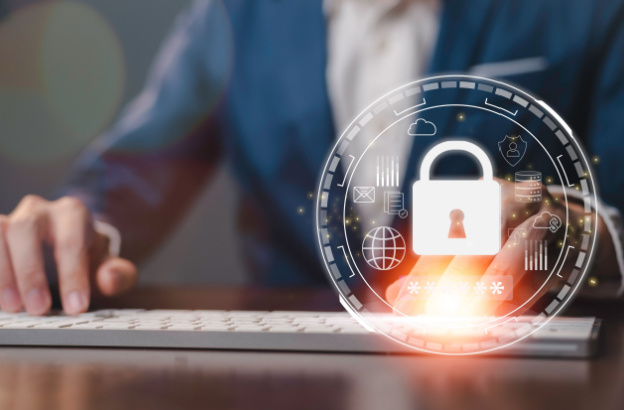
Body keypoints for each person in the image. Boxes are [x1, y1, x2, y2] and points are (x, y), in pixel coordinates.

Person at [1, 0, 623, 316]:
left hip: (511, 378)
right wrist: (73, 235)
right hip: (287, 388)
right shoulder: (236, 15)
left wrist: (587, 237)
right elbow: (130, 178)